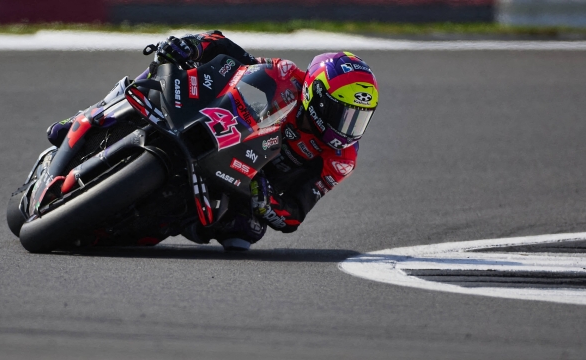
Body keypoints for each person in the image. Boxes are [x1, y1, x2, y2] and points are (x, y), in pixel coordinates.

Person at [47, 30, 379, 251]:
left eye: (358, 118)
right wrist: (191, 46)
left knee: (243, 236)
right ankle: (91, 114)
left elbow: (294, 214)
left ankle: (140, 221)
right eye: (343, 114)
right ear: (318, 95)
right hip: (220, 129)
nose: (348, 127)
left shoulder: (341, 158)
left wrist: (267, 203)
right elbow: (226, 50)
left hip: (245, 184)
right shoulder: (285, 74)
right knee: (162, 69)